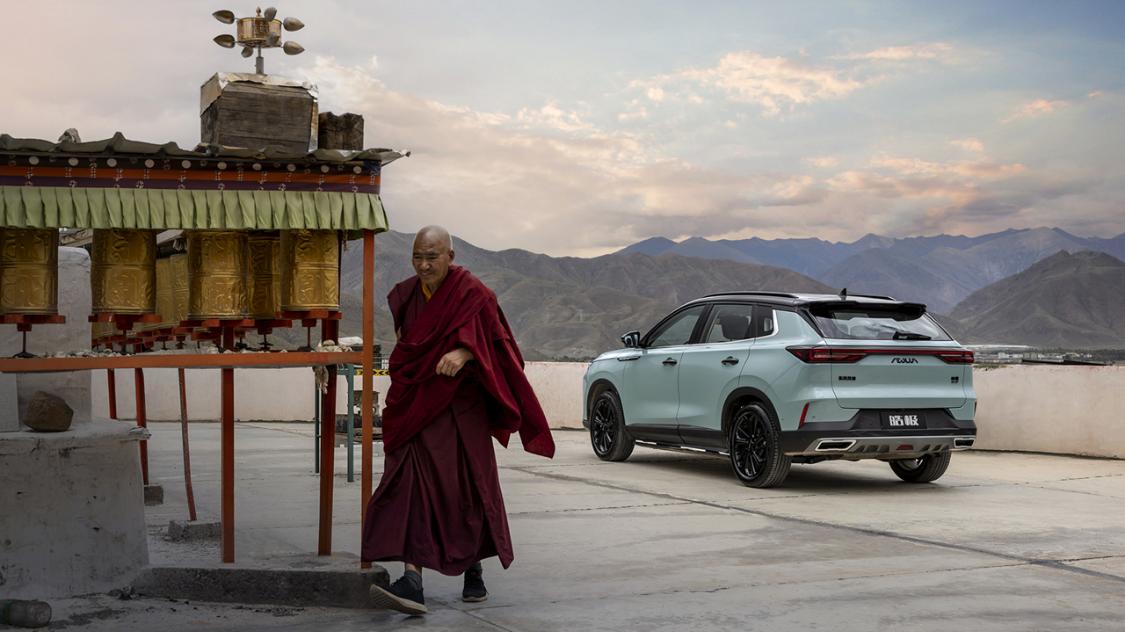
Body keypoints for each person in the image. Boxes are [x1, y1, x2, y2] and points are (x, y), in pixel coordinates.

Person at [363, 225, 555, 615]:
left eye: (432, 256)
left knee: (465, 489)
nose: (423, 264)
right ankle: (411, 580)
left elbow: (502, 350)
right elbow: (410, 345)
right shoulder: (406, 295)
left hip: (460, 409)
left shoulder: (474, 294)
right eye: (417, 256)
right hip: (417, 405)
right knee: (406, 484)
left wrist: (466, 354)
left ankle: (473, 570)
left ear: (450, 256)